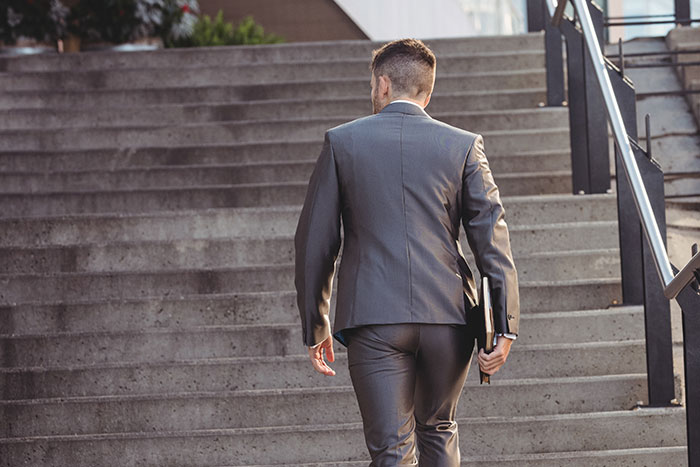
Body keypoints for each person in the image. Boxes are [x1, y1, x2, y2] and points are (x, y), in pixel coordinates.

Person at [294, 38, 520, 466]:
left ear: (382, 84)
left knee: (391, 450)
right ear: (427, 93)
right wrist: (503, 325)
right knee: (438, 429)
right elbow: (492, 236)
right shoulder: (464, 145)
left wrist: (316, 321)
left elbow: (314, 242)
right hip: (449, 317)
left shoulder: (342, 143)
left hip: (374, 316)